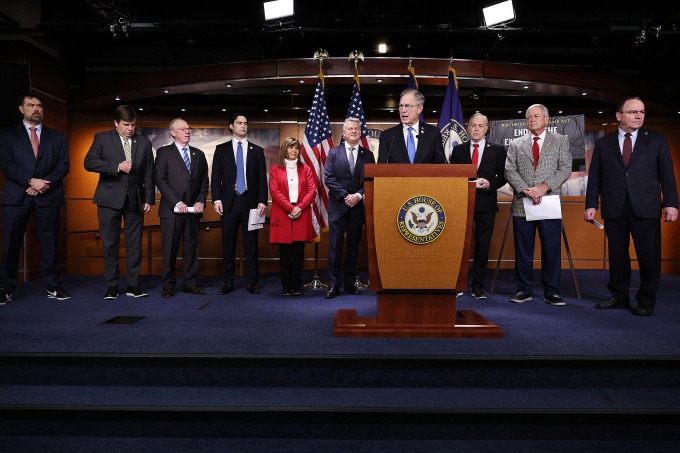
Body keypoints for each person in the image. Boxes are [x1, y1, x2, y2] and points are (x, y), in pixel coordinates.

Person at [584, 97, 678, 316]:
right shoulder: (604, 143)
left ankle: (646, 300)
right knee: (617, 255)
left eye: (642, 112)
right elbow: (595, 176)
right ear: (619, 116)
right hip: (614, 205)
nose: (638, 116)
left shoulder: (656, 139)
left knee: (649, 256)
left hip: (646, 206)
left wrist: (671, 203)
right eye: (633, 112)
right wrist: (591, 204)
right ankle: (619, 296)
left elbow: (667, 174)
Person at [0, 94, 70, 303]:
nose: (36, 109)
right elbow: (5, 163)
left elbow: (63, 166)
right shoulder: (7, 134)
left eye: (39, 105)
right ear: (21, 109)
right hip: (16, 197)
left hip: (48, 196)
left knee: (50, 244)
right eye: (30, 105)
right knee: (10, 244)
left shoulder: (57, 137)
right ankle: (5, 287)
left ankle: (53, 286)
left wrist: (42, 184)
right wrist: (30, 181)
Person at [84, 105, 155, 300]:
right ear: (116, 123)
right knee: (110, 244)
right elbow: (89, 162)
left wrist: (149, 199)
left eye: (133, 125)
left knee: (135, 245)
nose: (130, 129)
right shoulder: (102, 138)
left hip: (135, 200)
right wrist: (116, 166)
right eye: (125, 125)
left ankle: (133, 285)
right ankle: (112, 286)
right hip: (108, 199)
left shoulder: (144, 142)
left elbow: (149, 171)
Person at [504, 104, 571, 306]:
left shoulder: (560, 140)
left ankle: (552, 291)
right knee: (523, 250)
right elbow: (509, 170)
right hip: (522, 203)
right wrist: (526, 190)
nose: (532, 119)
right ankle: (524, 289)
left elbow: (565, 168)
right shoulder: (516, 143)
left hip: (549, 202)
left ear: (546, 119)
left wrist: (543, 187)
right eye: (529, 117)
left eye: (536, 116)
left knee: (551, 249)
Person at [450, 113, 507, 300]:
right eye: (473, 125)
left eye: (480, 126)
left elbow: (503, 176)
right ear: (468, 127)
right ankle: (458, 285)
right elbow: (452, 176)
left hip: (486, 205)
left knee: (482, 247)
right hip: (462, 204)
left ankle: (478, 287)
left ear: (486, 129)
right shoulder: (458, 150)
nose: (476, 129)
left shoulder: (497, 150)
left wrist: (490, 184)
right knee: (459, 246)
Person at [211, 113, 267, 295]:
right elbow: (216, 177)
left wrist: (262, 201)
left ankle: (252, 282)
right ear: (231, 126)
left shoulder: (257, 151)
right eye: (239, 123)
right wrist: (217, 199)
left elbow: (262, 179)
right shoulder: (221, 149)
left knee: (252, 245)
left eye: (245, 123)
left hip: (251, 203)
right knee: (228, 245)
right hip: (229, 203)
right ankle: (228, 282)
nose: (243, 126)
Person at [154, 118, 209, 298]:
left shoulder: (198, 154)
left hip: (193, 211)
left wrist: (201, 201)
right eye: (183, 129)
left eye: (188, 128)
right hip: (171, 211)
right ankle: (168, 286)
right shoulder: (164, 153)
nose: (187, 131)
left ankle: (190, 284)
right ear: (172, 132)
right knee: (170, 250)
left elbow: (204, 181)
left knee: (191, 249)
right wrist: (177, 202)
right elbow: (160, 180)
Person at [323, 117, 375, 299]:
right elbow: (328, 178)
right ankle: (333, 284)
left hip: (357, 206)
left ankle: (350, 283)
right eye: (350, 129)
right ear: (344, 133)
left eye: (356, 129)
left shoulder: (368, 155)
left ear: (360, 133)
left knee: (354, 246)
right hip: (338, 205)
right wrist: (346, 195)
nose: (354, 131)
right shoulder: (333, 153)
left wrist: (358, 196)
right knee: (335, 246)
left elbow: (370, 179)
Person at [269, 137, 317, 296]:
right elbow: (274, 191)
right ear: (284, 149)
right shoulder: (275, 168)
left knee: (298, 252)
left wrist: (299, 207)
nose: (294, 151)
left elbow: (312, 190)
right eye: (291, 147)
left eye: (296, 148)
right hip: (283, 212)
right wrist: (290, 208)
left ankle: (296, 286)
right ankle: (286, 286)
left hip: (301, 212)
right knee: (285, 253)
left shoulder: (306, 168)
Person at [377, 88, 446, 164]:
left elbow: (441, 164)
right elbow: (381, 166)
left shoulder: (433, 133)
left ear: (420, 108)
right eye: (401, 106)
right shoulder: (387, 136)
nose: (403, 110)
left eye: (408, 106)